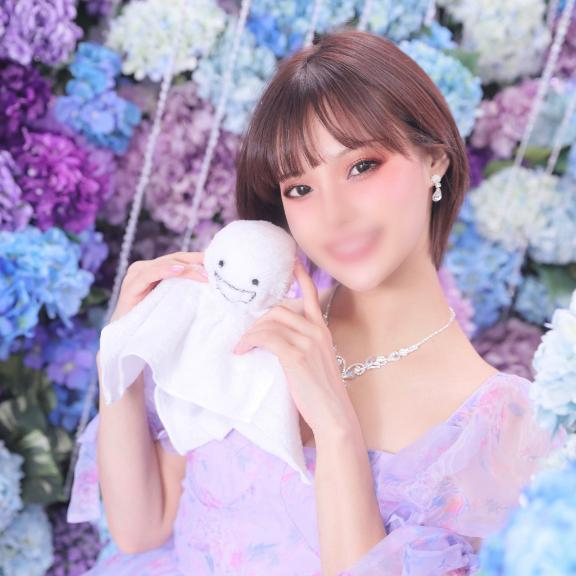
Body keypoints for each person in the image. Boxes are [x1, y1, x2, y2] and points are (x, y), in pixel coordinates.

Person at [68, 29, 566, 575]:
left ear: (434, 161)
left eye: (362, 166)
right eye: (300, 188)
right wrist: (121, 351)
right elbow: (141, 529)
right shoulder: (252, 325)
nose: (334, 215)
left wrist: (335, 426)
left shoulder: (510, 429)